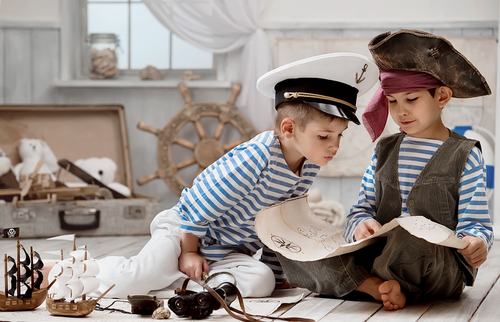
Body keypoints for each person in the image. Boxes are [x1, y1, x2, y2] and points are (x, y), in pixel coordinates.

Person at [44, 52, 377, 299]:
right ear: (289, 128)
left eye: (339, 136)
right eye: (324, 136)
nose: (333, 146)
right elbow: (200, 203)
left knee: (260, 285)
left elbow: (280, 224)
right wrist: (189, 251)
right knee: (141, 275)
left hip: (227, 252)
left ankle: (175, 286)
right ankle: (74, 271)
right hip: (185, 232)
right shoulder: (255, 158)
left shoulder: (308, 164)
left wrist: (279, 276)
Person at [277, 29, 494, 310]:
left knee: (410, 238)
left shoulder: (466, 154)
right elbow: (361, 209)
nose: (401, 111)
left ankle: (362, 282)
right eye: (392, 101)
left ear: (441, 96)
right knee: (294, 248)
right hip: (380, 254)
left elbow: (475, 223)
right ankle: (380, 287)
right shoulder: (385, 150)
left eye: (412, 99)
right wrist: (360, 226)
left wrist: (476, 241)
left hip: (437, 266)